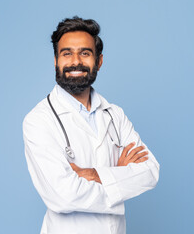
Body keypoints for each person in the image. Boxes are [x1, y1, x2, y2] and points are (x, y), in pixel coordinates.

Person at [22, 16, 160, 234]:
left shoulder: (114, 114)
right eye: (67, 53)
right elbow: (63, 197)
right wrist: (119, 176)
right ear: (56, 60)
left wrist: (95, 175)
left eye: (85, 53)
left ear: (99, 61)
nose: (75, 61)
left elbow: (150, 172)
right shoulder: (39, 120)